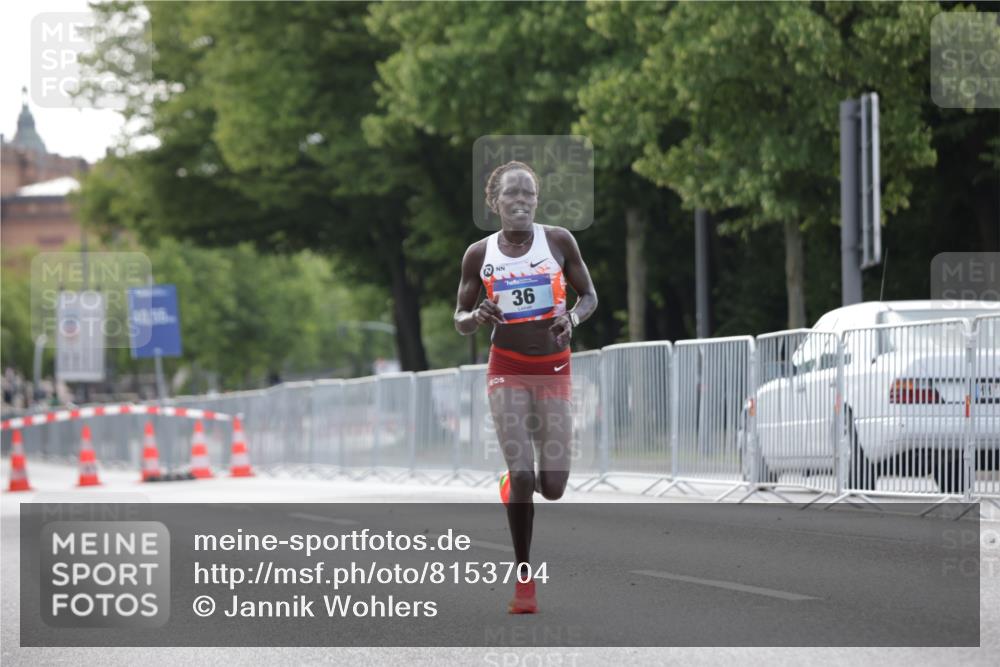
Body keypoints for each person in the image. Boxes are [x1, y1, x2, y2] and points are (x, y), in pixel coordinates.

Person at [454, 160, 597, 614]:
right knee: (523, 473)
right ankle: (524, 579)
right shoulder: (479, 254)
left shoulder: (557, 241)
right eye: (512, 195)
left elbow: (589, 296)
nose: (521, 201)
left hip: (554, 369)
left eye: (528, 195)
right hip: (507, 367)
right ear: (494, 202)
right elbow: (458, 317)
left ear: (537, 201)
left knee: (551, 485)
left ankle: (515, 485)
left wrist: (571, 318)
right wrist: (475, 317)